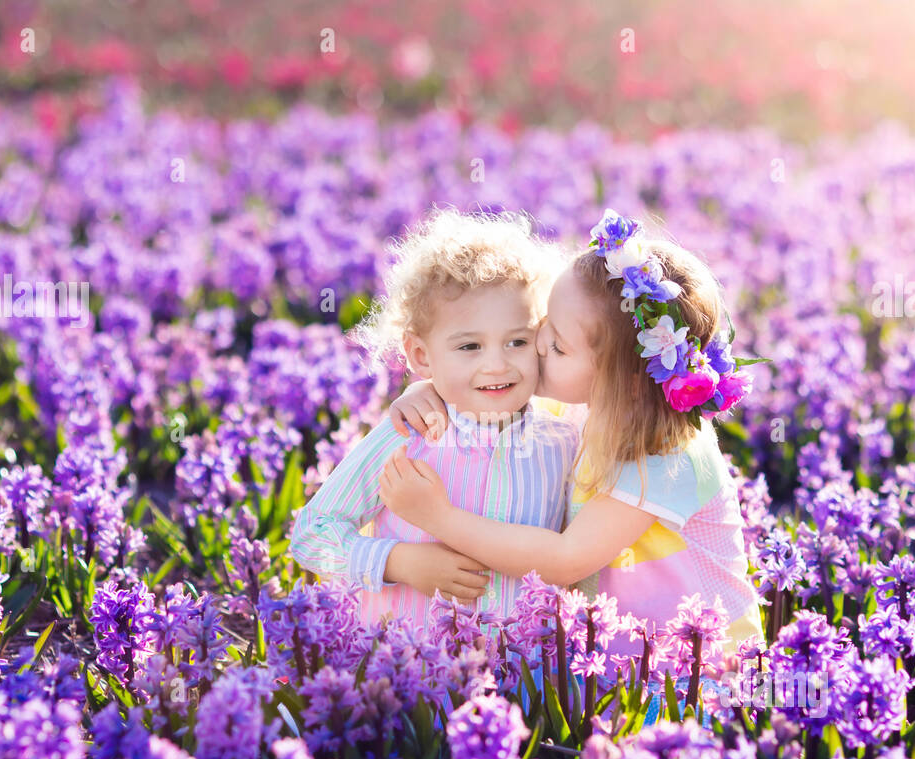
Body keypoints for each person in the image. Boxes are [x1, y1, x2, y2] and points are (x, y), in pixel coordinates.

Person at [379, 209, 767, 726]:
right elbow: (495, 388)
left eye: (557, 345)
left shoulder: (667, 454)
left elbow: (564, 561)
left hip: (699, 683)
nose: (537, 345)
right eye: (544, 325)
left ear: (621, 381)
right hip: (615, 663)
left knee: (487, 699)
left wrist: (439, 517)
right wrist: (429, 387)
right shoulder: (587, 405)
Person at [289, 207, 579, 638]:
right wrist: (399, 562)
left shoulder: (564, 442)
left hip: (522, 684)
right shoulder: (408, 435)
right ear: (421, 356)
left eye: (517, 341)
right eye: (469, 347)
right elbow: (312, 535)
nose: (496, 365)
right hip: (410, 673)